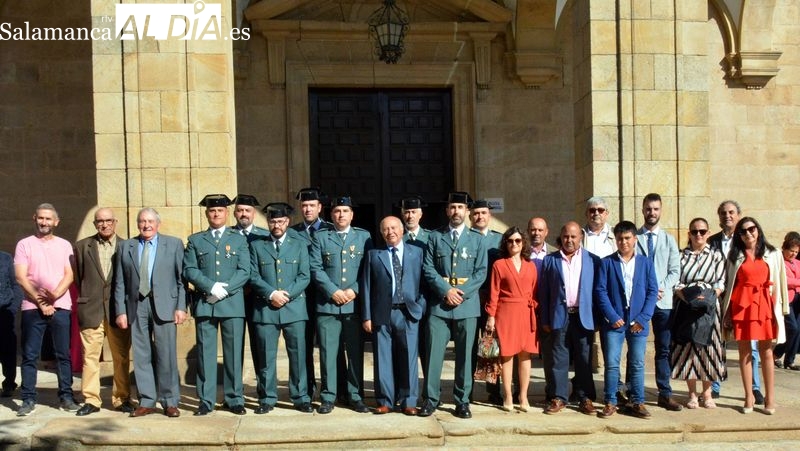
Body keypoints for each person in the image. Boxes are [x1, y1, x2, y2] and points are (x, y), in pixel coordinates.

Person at [420, 191, 487, 419]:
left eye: (460, 207)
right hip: (439, 305)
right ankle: (430, 399)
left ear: (467, 211)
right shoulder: (435, 237)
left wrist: (461, 293)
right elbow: (428, 268)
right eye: (452, 207)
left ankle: (462, 400)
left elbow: (480, 273)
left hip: (467, 305)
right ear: (447, 211)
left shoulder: (477, 239)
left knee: (465, 356)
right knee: (433, 355)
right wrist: (445, 290)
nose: (456, 211)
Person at [114, 207, 187, 418]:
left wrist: (181, 307)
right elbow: (120, 282)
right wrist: (120, 311)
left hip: (165, 306)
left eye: (150, 221)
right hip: (137, 306)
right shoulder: (126, 246)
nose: (146, 225)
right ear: (137, 224)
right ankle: (146, 400)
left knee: (167, 355)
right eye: (142, 221)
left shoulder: (173, 244)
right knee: (141, 355)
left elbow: (182, 280)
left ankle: (169, 400)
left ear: (158, 223)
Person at [183, 194, 251, 416]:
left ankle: (234, 398)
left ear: (226, 213)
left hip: (232, 304)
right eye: (212, 211)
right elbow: (189, 269)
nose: (216, 214)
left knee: (233, 354)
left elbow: (245, 271)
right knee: (206, 354)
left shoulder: (239, 239)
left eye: (220, 211)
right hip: (206, 303)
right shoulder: (196, 240)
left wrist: (226, 289)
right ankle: (206, 400)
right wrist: (211, 287)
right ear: (206, 214)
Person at [14, 203, 79, 416]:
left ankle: (66, 396)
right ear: (34, 218)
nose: (44, 222)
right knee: (30, 355)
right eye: (41, 218)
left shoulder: (64, 245)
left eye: (48, 219)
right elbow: (20, 277)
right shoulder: (24, 244)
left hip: (61, 306)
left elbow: (69, 275)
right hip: (32, 307)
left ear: (56, 222)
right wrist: (42, 302)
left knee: (63, 354)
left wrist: (55, 296)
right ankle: (28, 399)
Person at [309, 196, 372, 414]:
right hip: (327, 305)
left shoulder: (364, 237)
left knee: (355, 353)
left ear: (352, 214)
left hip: (354, 306)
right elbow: (315, 268)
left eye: (345, 211)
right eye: (337, 211)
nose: (341, 215)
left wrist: (353, 290)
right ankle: (329, 396)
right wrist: (333, 291)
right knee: (328, 353)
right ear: (330, 214)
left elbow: (368, 269)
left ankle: (355, 396)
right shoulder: (320, 237)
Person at [249, 202, 313, 413]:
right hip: (266, 309)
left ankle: (300, 396)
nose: (276, 225)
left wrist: (286, 295)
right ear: (267, 222)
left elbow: (304, 275)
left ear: (287, 222)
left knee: (298, 355)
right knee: (266, 357)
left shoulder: (299, 245)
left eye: (280, 221)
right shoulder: (257, 246)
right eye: (272, 221)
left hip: (294, 308)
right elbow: (253, 275)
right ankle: (267, 398)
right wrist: (271, 294)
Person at [721, 217, 789, 414]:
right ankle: (749, 396)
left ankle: (770, 397)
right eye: (743, 231)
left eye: (751, 229)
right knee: (745, 353)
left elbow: (780, 282)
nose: (748, 233)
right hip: (741, 306)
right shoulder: (734, 256)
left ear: (758, 230)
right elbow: (729, 285)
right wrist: (727, 312)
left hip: (765, 305)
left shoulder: (774, 253)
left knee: (767, 351)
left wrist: (783, 309)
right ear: (739, 236)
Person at [360, 216, 426, 415]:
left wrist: (420, 307)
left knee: (409, 358)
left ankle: (408, 401)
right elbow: (366, 287)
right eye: (386, 229)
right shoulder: (374, 255)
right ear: (381, 233)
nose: (390, 232)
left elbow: (424, 283)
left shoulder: (417, 253)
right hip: (382, 313)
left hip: (408, 312)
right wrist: (366, 316)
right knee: (383, 357)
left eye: (394, 228)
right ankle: (385, 400)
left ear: (402, 230)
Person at [595, 220, 658, 419]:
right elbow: (600, 291)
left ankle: (637, 401)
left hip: (638, 322)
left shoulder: (646, 263)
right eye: (620, 239)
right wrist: (612, 316)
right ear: (616, 240)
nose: (624, 242)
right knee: (612, 363)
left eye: (627, 238)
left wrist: (644, 317)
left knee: (638, 363)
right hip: (614, 322)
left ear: (635, 239)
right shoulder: (607, 263)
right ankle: (611, 401)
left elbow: (652, 291)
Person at [73, 207, 133, 416]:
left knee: (121, 356)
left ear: (115, 222)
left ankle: (122, 398)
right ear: (95, 224)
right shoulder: (82, 247)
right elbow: (79, 276)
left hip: (118, 311)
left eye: (108, 221)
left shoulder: (128, 246)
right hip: (91, 309)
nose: (104, 224)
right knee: (90, 356)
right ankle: (91, 400)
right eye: (100, 221)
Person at [538, 221, 599, 415]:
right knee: (559, 358)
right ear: (560, 238)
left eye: (573, 236)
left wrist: (596, 319)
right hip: (559, 316)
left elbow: (598, 293)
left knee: (583, 358)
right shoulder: (550, 260)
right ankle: (558, 397)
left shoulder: (593, 260)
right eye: (566, 237)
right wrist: (545, 319)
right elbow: (544, 293)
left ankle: (585, 397)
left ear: (581, 237)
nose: (569, 240)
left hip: (583, 317)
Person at [669, 217, 727, 409]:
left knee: (709, 349)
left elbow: (720, 282)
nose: (699, 235)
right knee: (688, 349)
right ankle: (692, 394)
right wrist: (688, 297)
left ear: (708, 233)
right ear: (689, 234)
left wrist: (709, 297)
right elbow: (676, 281)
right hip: (687, 305)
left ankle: (708, 393)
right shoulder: (681, 255)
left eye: (702, 231)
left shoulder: (717, 255)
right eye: (695, 232)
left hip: (710, 307)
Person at [708, 200, 762, 402]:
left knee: (751, 347)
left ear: (739, 215)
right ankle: (714, 385)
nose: (727, 216)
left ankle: (755, 388)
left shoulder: (748, 240)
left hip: (744, 300)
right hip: (719, 298)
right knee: (717, 343)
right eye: (723, 213)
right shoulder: (711, 241)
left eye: (731, 212)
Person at [635, 193, 682, 411]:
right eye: (648, 209)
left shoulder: (669, 240)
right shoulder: (634, 238)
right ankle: (635, 392)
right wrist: (647, 291)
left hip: (663, 302)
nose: (651, 213)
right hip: (640, 303)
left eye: (655, 209)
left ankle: (664, 392)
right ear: (642, 210)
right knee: (637, 346)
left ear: (660, 210)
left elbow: (675, 271)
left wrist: (661, 288)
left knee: (663, 349)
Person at [485, 226, 538, 412]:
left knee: (525, 355)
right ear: (505, 243)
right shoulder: (499, 265)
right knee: (506, 355)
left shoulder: (531, 265)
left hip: (526, 311)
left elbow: (535, 290)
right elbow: (494, 292)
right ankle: (507, 395)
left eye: (518, 240)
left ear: (523, 243)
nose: (514, 244)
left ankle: (523, 396)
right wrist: (491, 316)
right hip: (505, 312)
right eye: (510, 241)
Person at [291, 187, 335, 401]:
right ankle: (306, 388)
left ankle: (337, 389)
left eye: (311, 206)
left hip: (327, 297)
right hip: (302, 298)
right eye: (304, 206)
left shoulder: (331, 229)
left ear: (320, 207)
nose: (307, 209)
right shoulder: (292, 231)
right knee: (303, 345)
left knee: (331, 347)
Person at [470, 199, 504, 405]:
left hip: (493, 302)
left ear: (489, 215)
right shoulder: (465, 238)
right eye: (476, 213)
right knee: (470, 348)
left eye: (483, 213)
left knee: (493, 348)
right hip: (472, 299)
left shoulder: (499, 241)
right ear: (470, 216)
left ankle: (494, 390)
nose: (480, 216)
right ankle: (467, 389)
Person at [231, 193, 269, 382]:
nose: (244, 214)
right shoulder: (227, 235)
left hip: (259, 298)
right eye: (240, 210)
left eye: (248, 210)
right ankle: (235, 390)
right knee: (234, 346)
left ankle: (263, 389)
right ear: (234, 213)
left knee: (260, 345)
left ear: (254, 213)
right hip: (233, 298)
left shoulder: (264, 236)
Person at [775, 233, 800, 370]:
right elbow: (785, 281)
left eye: (796, 252)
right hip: (786, 300)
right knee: (792, 329)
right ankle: (776, 354)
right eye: (791, 250)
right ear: (784, 248)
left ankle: (789, 360)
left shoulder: (798, 263)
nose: (793, 254)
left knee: (798, 330)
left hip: (798, 301)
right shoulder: (779, 263)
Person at [0, 250, 23, 398]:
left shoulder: (6, 258)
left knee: (7, 351)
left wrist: (13, 308)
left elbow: (16, 285)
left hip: (4, 311)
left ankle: (9, 383)